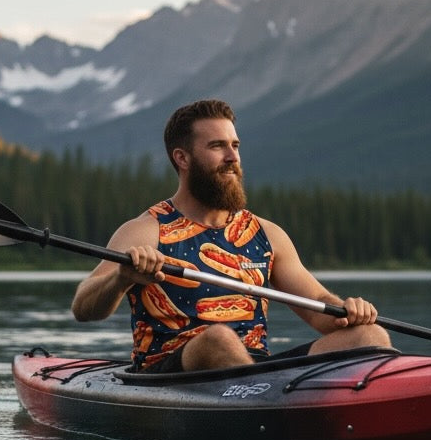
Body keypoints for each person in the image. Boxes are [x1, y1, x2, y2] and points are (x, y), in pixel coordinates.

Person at [71, 99, 391, 371]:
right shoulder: (146, 230)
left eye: (235, 145)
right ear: (182, 158)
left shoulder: (267, 235)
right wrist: (122, 278)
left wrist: (348, 311)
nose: (232, 157)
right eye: (217, 146)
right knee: (217, 338)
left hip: (256, 372)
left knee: (370, 336)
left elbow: (320, 308)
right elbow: (84, 308)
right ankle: (266, 407)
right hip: (170, 376)